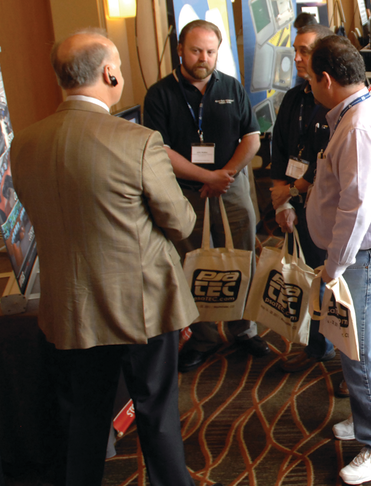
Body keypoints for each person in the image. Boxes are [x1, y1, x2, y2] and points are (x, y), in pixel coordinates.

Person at [11, 30, 218, 486]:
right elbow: (181, 223)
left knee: (85, 414)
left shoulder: (23, 145)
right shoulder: (138, 142)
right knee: (156, 411)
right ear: (109, 73)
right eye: (119, 66)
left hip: (70, 305)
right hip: (142, 304)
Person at [305, 36, 371, 484]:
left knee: (360, 352)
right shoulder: (357, 113)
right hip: (369, 255)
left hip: (364, 257)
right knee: (367, 345)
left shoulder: (360, 125)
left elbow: (357, 207)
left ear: (326, 79)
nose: (307, 84)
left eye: (309, 77)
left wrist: (333, 266)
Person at [143, 20, 270, 372]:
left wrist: (223, 176)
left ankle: (243, 328)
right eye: (196, 50)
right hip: (186, 191)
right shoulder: (159, 94)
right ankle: (203, 336)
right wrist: (205, 177)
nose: (204, 58)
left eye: (211, 51)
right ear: (181, 50)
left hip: (231, 186)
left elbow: (252, 138)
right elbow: (160, 150)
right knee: (194, 264)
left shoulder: (231, 86)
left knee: (243, 257)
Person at [269, 23, 343, 376]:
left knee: (339, 289)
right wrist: (282, 201)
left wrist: (294, 189)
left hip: (330, 211)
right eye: (295, 50)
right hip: (297, 205)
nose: (297, 58)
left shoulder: (337, 104)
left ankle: (349, 365)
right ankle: (318, 348)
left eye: (305, 51)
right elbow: (280, 150)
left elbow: (328, 159)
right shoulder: (294, 98)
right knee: (312, 280)